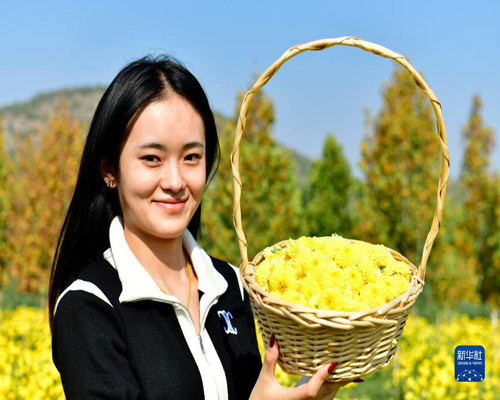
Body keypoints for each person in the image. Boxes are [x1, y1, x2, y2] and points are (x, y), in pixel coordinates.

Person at [48, 55, 357, 399]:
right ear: (109, 169)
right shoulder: (88, 306)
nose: (175, 181)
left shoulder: (231, 285)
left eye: (191, 157)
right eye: (152, 158)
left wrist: (312, 392)